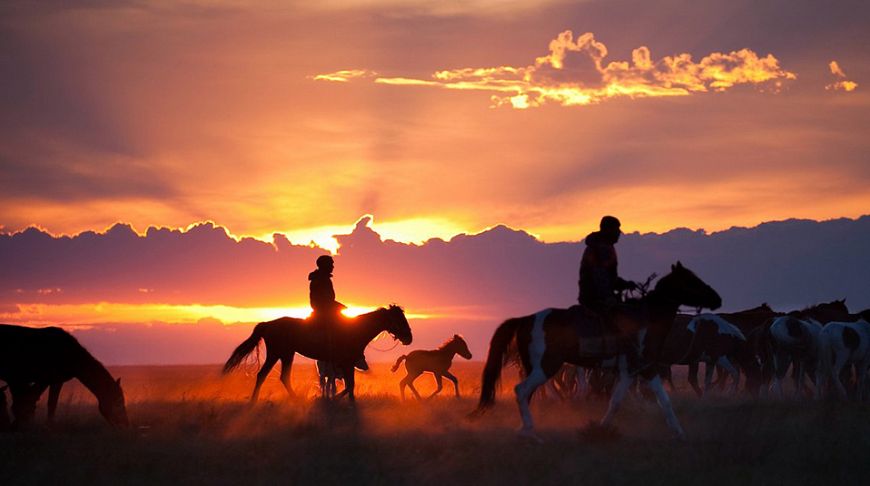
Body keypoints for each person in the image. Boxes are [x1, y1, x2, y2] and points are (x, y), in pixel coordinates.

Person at [577, 215, 637, 313]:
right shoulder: (601, 248)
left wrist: (625, 284)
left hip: (596, 296)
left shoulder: (605, 247)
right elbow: (600, 276)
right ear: (608, 231)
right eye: (616, 230)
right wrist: (608, 297)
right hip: (594, 298)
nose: (619, 233)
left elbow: (608, 277)